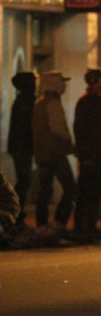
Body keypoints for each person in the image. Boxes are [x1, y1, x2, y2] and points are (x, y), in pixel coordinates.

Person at [32, 70, 76, 237]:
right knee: (70, 188)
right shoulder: (53, 103)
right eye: (62, 82)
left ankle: (41, 224)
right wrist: (70, 143)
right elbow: (58, 129)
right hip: (55, 153)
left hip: (43, 154)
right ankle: (59, 223)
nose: (64, 86)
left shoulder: (40, 103)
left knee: (45, 190)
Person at [72, 69, 101, 241]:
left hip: (97, 154)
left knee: (94, 191)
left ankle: (89, 227)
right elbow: (82, 130)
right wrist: (86, 154)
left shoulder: (95, 101)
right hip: (91, 155)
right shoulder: (88, 102)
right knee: (87, 191)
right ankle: (82, 229)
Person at [7, 72, 36, 226]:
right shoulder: (26, 101)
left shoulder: (22, 100)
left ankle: (17, 214)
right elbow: (26, 127)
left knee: (24, 181)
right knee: (24, 181)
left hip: (20, 147)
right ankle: (16, 214)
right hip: (22, 147)